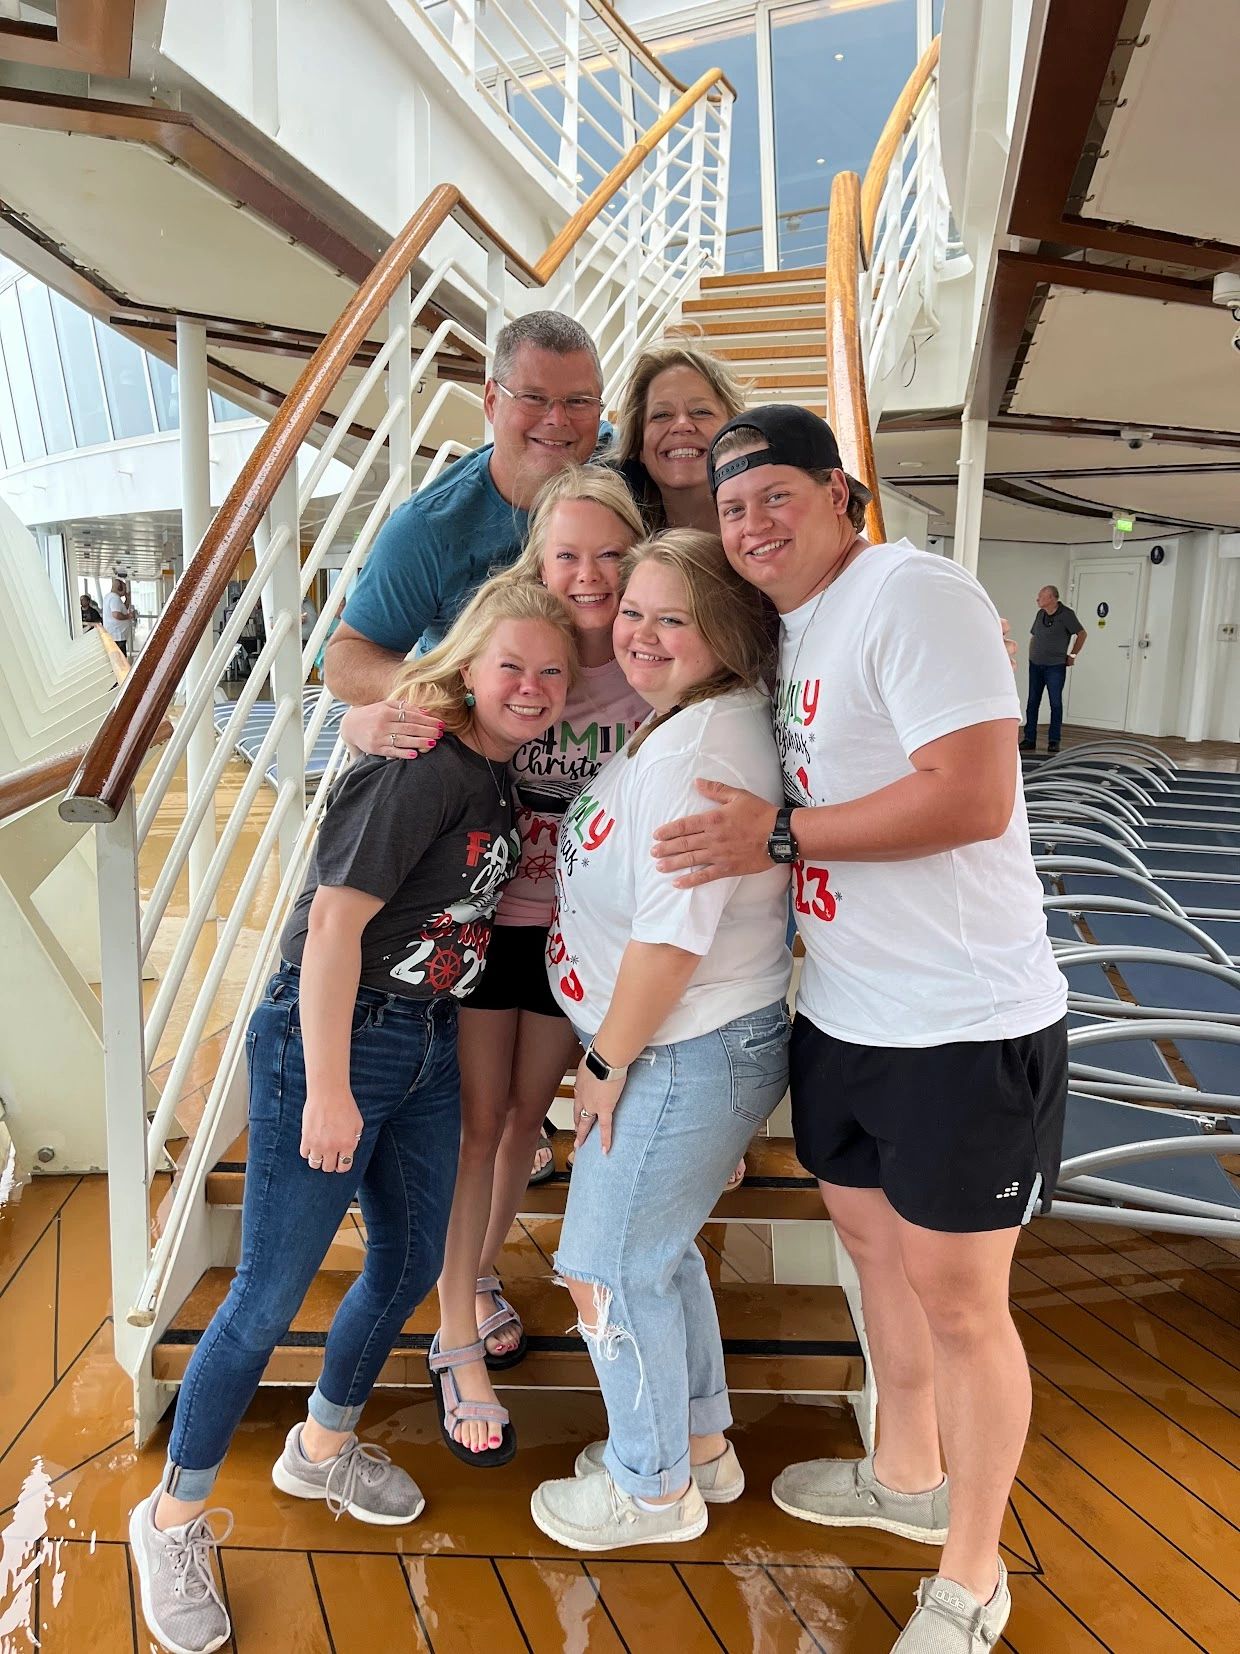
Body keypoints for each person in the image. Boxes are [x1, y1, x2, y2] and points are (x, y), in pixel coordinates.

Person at [652, 406, 1068, 1654]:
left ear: (843, 494)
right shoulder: (790, 631)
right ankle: (902, 1472)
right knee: (870, 1255)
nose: (751, 524)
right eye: (730, 510)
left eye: (776, 494)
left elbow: (974, 794)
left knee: (959, 1299)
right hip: (841, 1009)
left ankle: (972, 1572)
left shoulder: (913, 593)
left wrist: (774, 839)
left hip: (961, 1019)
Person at [128, 581, 576, 1654]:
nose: (530, 687)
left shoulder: (491, 774)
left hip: (423, 1036)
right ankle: (170, 1519)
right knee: (268, 1291)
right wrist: (328, 1085)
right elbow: (330, 929)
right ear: (468, 664)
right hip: (339, 1033)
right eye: (510, 664)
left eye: (552, 672)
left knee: (416, 1257)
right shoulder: (420, 769)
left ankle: (321, 1449)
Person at [529, 529, 794, 1552]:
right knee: (657, 1253)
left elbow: (669, 938)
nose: (637, 635)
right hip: (687, 1046)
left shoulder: (698, 746)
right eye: (629, 612)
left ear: (722, 631)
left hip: (678, 1046)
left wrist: (603, 1062)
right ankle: (701, 1445)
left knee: (605, 1268)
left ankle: (650, 1491)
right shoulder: (686, 718)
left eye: (668, 619)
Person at [407, 467, 649, 1465]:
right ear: (537, 562)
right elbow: (424, 700)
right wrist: (355, 720)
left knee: (520, 1119)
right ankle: (454, 1321)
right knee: (474, 1122)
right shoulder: (520, 645)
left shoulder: (651, 659)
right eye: (566, 554)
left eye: (608, 554)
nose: (588, 575)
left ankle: (475, 1270)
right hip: (484, 917)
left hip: (575, 930)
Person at [323, 311, 604, 708]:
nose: (557, 419)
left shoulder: (622, 461)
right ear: (492, 401)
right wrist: (442, 691)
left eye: (578, 401)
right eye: (533, 398)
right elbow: (346, 658)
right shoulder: (428, 527)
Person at [609, 339, 746, 532]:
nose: (681, 425)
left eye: (701, 412)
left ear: (734, 431)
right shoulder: (615, 543)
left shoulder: (769, 533)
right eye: (662, 415)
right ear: (639, 447)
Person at [1021, 585, 1086, 754]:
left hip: (1055, 665)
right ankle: (1029, 739)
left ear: (1052, 598)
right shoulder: (1040, 614)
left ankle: (1054, 740)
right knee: (1032, 702)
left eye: (1041, 596)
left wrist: (1072, 655)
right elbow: (1035, 635)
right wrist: (1031, 653)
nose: (1037, 599)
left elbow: (1081, 634)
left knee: (1055, 702)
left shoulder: (1066, 615)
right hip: (1035, 664)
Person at [102, 575, 135, 656]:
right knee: (121, 658)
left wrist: (127, 599)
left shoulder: (110, 597)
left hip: (115, 635)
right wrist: (128, 616)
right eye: (124, 588)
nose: (125, 591)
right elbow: (116, 614)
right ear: (120, 588)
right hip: (117, 636)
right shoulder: (114, 598)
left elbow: (121, 610)